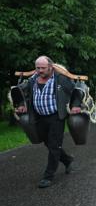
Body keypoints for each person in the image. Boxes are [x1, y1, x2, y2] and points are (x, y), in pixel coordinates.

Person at [15, 56, 81, 188]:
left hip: (56, 117)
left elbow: (76, 91)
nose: (40, 70)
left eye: (43, 68)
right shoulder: (33, 79)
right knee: (49, 144)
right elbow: (21, 91)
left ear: (51, 67)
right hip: (39, 117)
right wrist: (21, 103)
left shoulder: (61, 78)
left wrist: (75, 105)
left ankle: (48, 176)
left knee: (54, 146)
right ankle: (68, 160)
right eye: (37, 68)